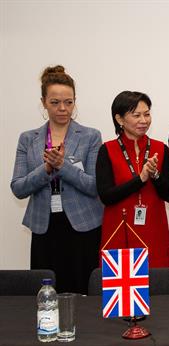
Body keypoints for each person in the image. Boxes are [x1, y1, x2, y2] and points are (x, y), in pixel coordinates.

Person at [11, 66, 102, 294]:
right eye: (55, 102)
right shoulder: (28, 139)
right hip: (44, 226)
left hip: (83, 226)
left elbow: (94, 186)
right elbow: (18, 188)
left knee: (84, 291)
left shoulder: (91, 136)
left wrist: (62, 166)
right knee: (48, 293)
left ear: (75, 102)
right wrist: (46, 169)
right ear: (43, 102)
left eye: (69, 102)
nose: (63, 108)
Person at [96, 91, 169, 267]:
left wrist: (155, 175)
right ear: (119, 119)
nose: (144, 120)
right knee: (121, 282)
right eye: (136, 115)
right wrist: (140, 179)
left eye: (147, 114)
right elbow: (106, 196)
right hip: (119, 231)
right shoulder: (107, 150)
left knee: (158, 281)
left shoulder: (160, 148)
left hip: (154, 230)